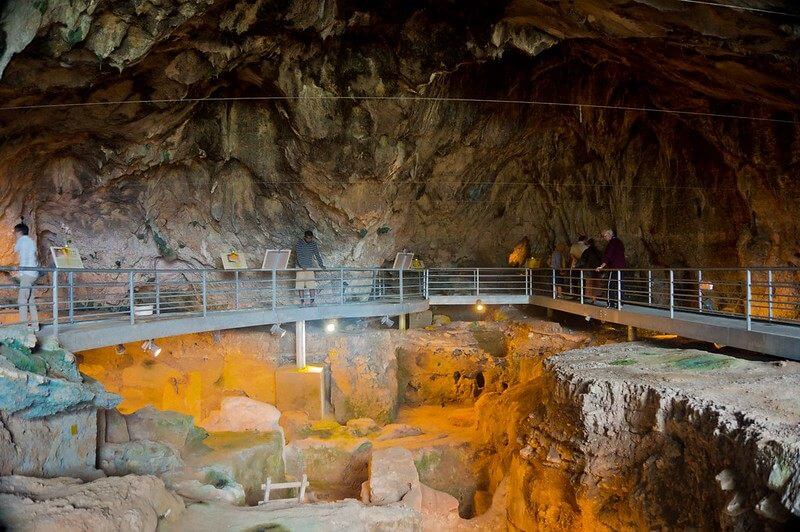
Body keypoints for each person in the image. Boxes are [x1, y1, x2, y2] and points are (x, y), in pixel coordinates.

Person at [13, 222, 39, 330]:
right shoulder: (31, 241)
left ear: (19, 232)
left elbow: (19, 254)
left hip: (27, 274)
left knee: (22, 300)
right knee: (31, 300)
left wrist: (20, 272)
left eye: (15, 232)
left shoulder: (21, 241)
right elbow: (34, 256)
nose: (14, 234)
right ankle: (35, 326)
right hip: (34, 274)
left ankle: (24, 326)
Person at [596, 229, 626, 308]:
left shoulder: (611, 243)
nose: (604, 238)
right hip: (621, 267)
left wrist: (601, 266)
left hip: (614, 267)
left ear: (610, 235)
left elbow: (608, 256)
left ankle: (610, 303)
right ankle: (620, 303)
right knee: (620, 285)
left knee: (610, 285)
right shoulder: (620, 242)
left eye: (605, 236)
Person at [294, 230, 325, 306]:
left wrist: (321, 265)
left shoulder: (313, 244)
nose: (309, 240)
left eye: (311, 238)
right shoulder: (299, 243)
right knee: (300, 285)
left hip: (309, 267)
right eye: (308, 238)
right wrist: (302, 266)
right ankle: (302, 302)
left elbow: (317, 254)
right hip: (300, 268)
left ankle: (312, 302)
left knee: (311, 285)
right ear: (304, 237)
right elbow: (299, 255)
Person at [577, 238, 603, 302]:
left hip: (589, 271)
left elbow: (582, 261)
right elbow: (602, 260)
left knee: (590, 285)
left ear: (588, 244)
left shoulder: (586, 252)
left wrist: (577, 266)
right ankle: (595, 298)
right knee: (596, 285)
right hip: (597, 271)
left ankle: (592, 299)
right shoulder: (598, 251)